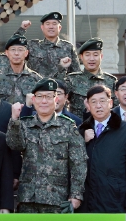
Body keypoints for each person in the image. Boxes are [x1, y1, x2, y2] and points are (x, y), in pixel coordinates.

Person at [6, 78, 87, 213]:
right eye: (40, 97)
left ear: (56, 100)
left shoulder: (68, 126)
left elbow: (78, 162)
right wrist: (14, 120)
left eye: (49, 97)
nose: (44, 101)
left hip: (56, 198)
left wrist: (76, 194)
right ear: (33, 100)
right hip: (28, 198)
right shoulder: (24, 124)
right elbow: (14, 145)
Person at [78, 85, 126, 213]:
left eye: (102, 101)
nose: (98, 105)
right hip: (87, 202)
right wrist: (81, 141)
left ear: (111, 103)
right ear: (88, 106)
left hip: (116, 201)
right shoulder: (80, 131)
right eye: (93, 102)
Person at [15, 12, 81, 78]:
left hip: (60, 87)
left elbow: (76, 74)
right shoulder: (32, 46)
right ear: (42, 27)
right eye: (48, 24)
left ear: (60, 28)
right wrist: (22, 29)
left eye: (54, 24)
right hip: (36, 87)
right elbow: (13, 47)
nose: (51, 27)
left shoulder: (68, 47)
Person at [65, 38, 118, 118]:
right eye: (87, 55)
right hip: (79, 127)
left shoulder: (111, 81)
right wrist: (61, 69)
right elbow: (58, 97)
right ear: (81, 57)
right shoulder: (72, 79)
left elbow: (117, 108)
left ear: (101, 56)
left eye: (95, 55)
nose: (92, 59)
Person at [0, 34, 42, 104]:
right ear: (7, 53)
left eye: (20, 50)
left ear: (26, 53)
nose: (16, 53)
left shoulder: (36, 79)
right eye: (13, 50)